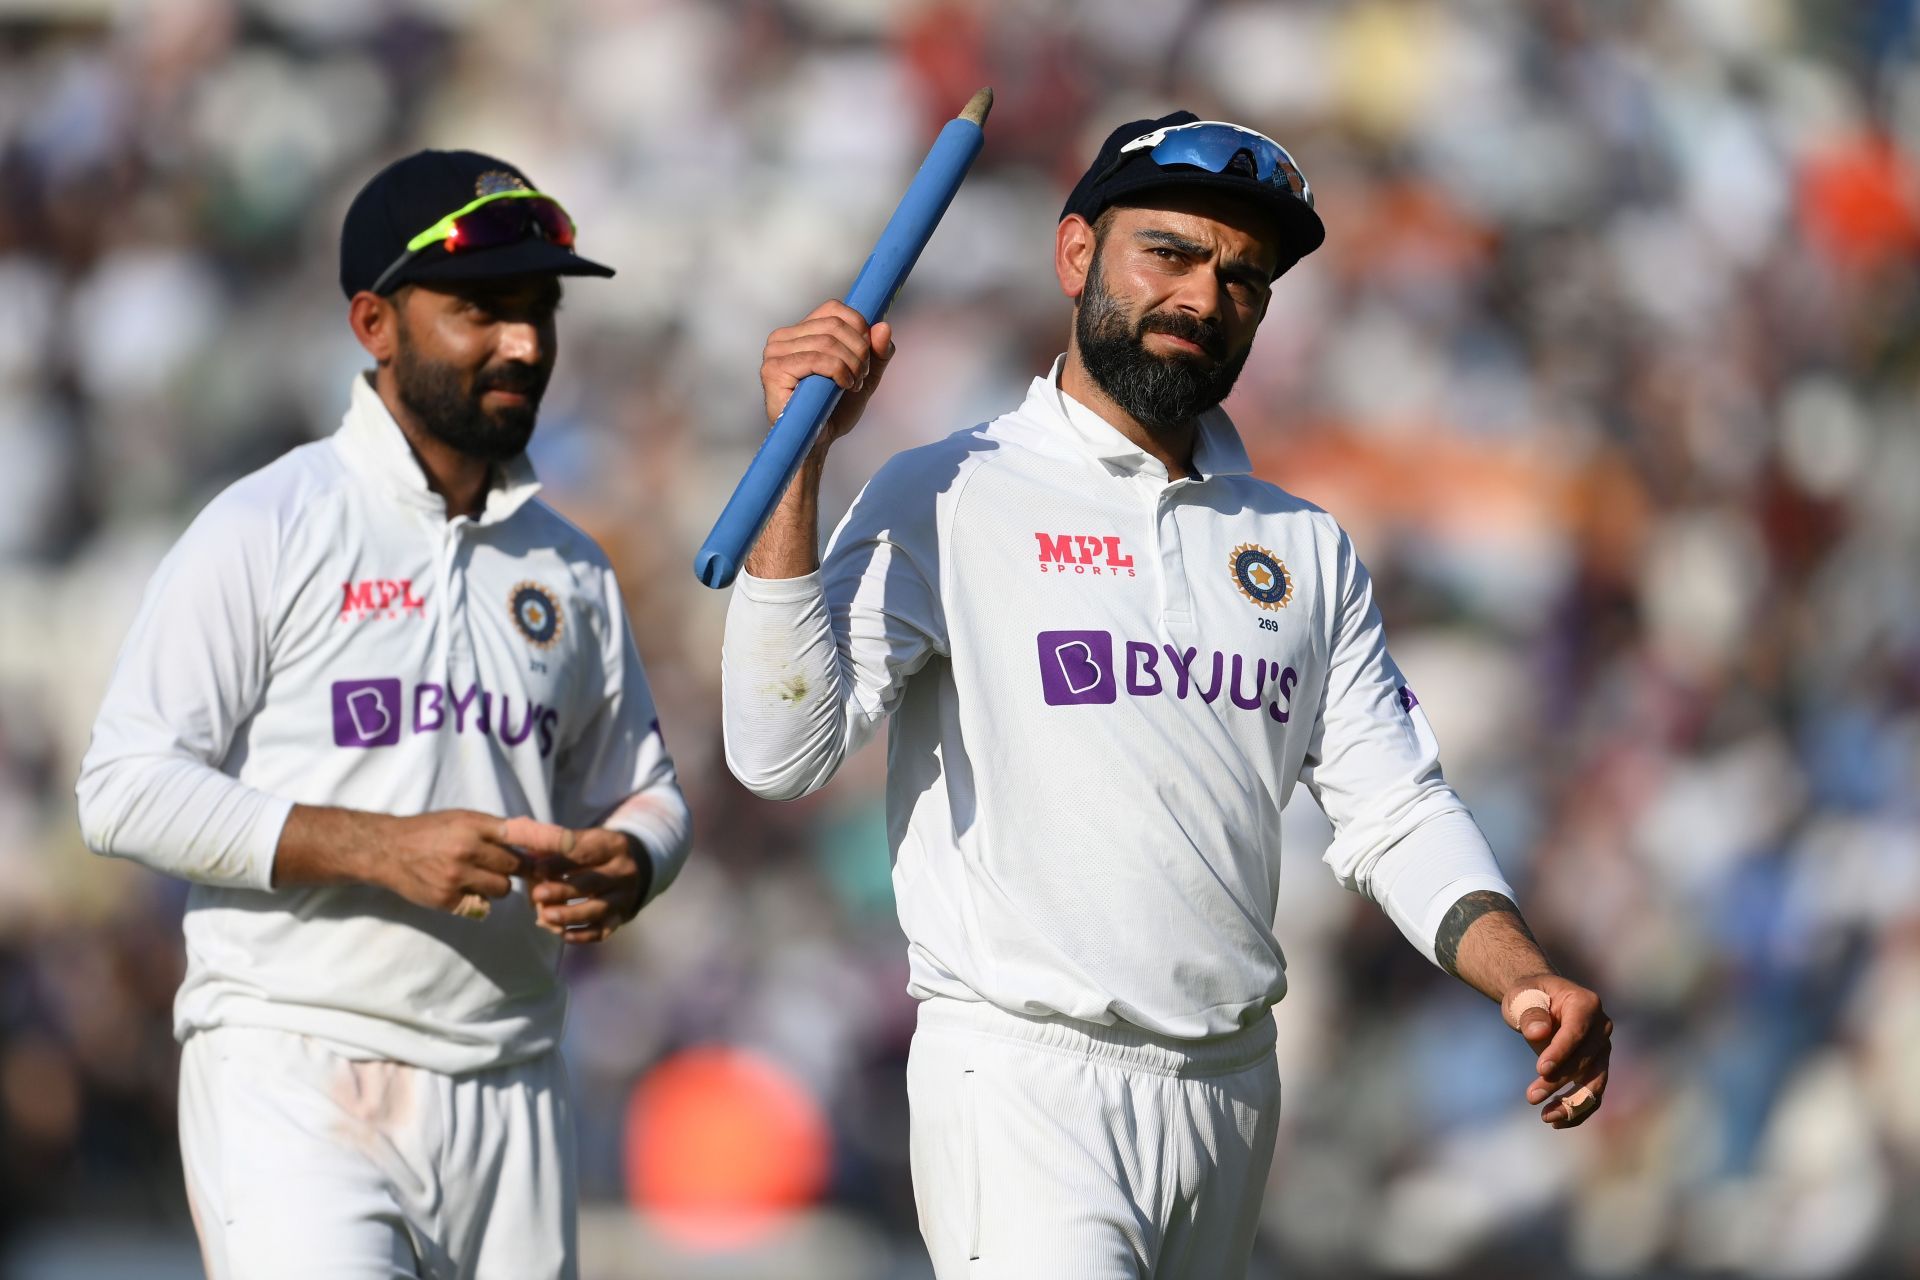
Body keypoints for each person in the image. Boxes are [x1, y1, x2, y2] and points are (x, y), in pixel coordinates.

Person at [721, 112, 1612, 1277]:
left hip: (1230, 1092)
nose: (1205, 296)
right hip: (1024, 1077)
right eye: (1171, 254)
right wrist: (798, 462)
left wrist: (1523, 971)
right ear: (1076, 254)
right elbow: (778, 747)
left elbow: (1395, 809)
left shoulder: (1302, 545)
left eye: (1243, 277)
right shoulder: (951, 491)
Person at [75, 149, 689, 1280]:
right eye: (480, 311)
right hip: (296, 1059)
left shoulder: (572, 566)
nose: (524, 345)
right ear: (375, 321)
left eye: (538, 310)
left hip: (514, 1079)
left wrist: (631, 858)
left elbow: (645, 785)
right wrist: (373, 846)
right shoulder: (268, 523)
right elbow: (122, 785)